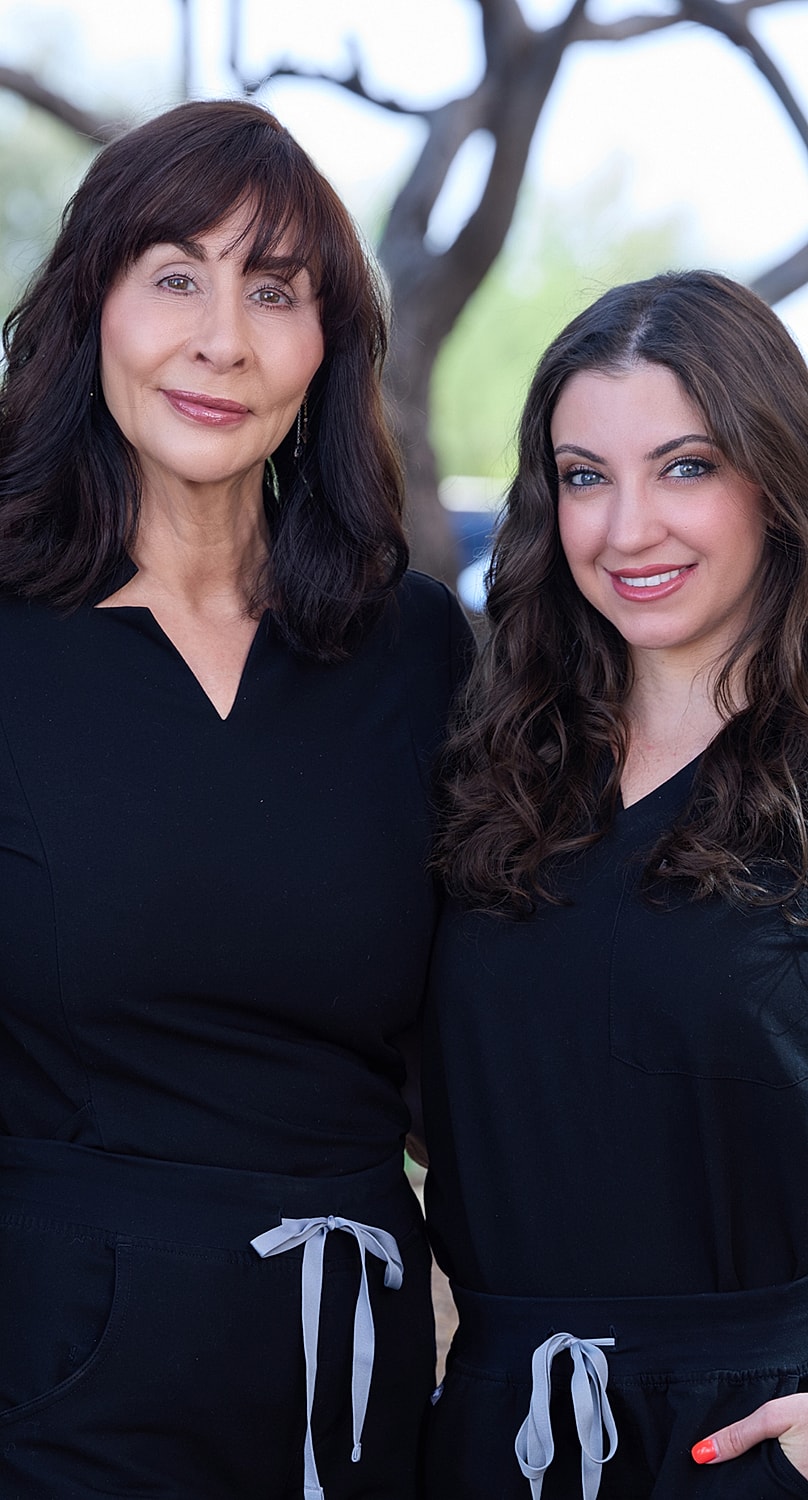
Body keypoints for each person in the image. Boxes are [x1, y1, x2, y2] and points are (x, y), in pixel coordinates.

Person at [0, 98, 471, 1500]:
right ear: (94, 308)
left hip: (361, 1384)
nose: (225, 339)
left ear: (328, 349)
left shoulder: (419, 652)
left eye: (276, 290)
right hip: (57, 1379)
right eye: (178, 278)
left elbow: (534, 1029)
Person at [421, 269, 808, 1499]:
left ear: (776, 478)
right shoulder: (491, 764)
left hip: (750, 1448)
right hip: (498, 1437)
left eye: (685, 467)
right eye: (585, 475)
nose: (625, 527)